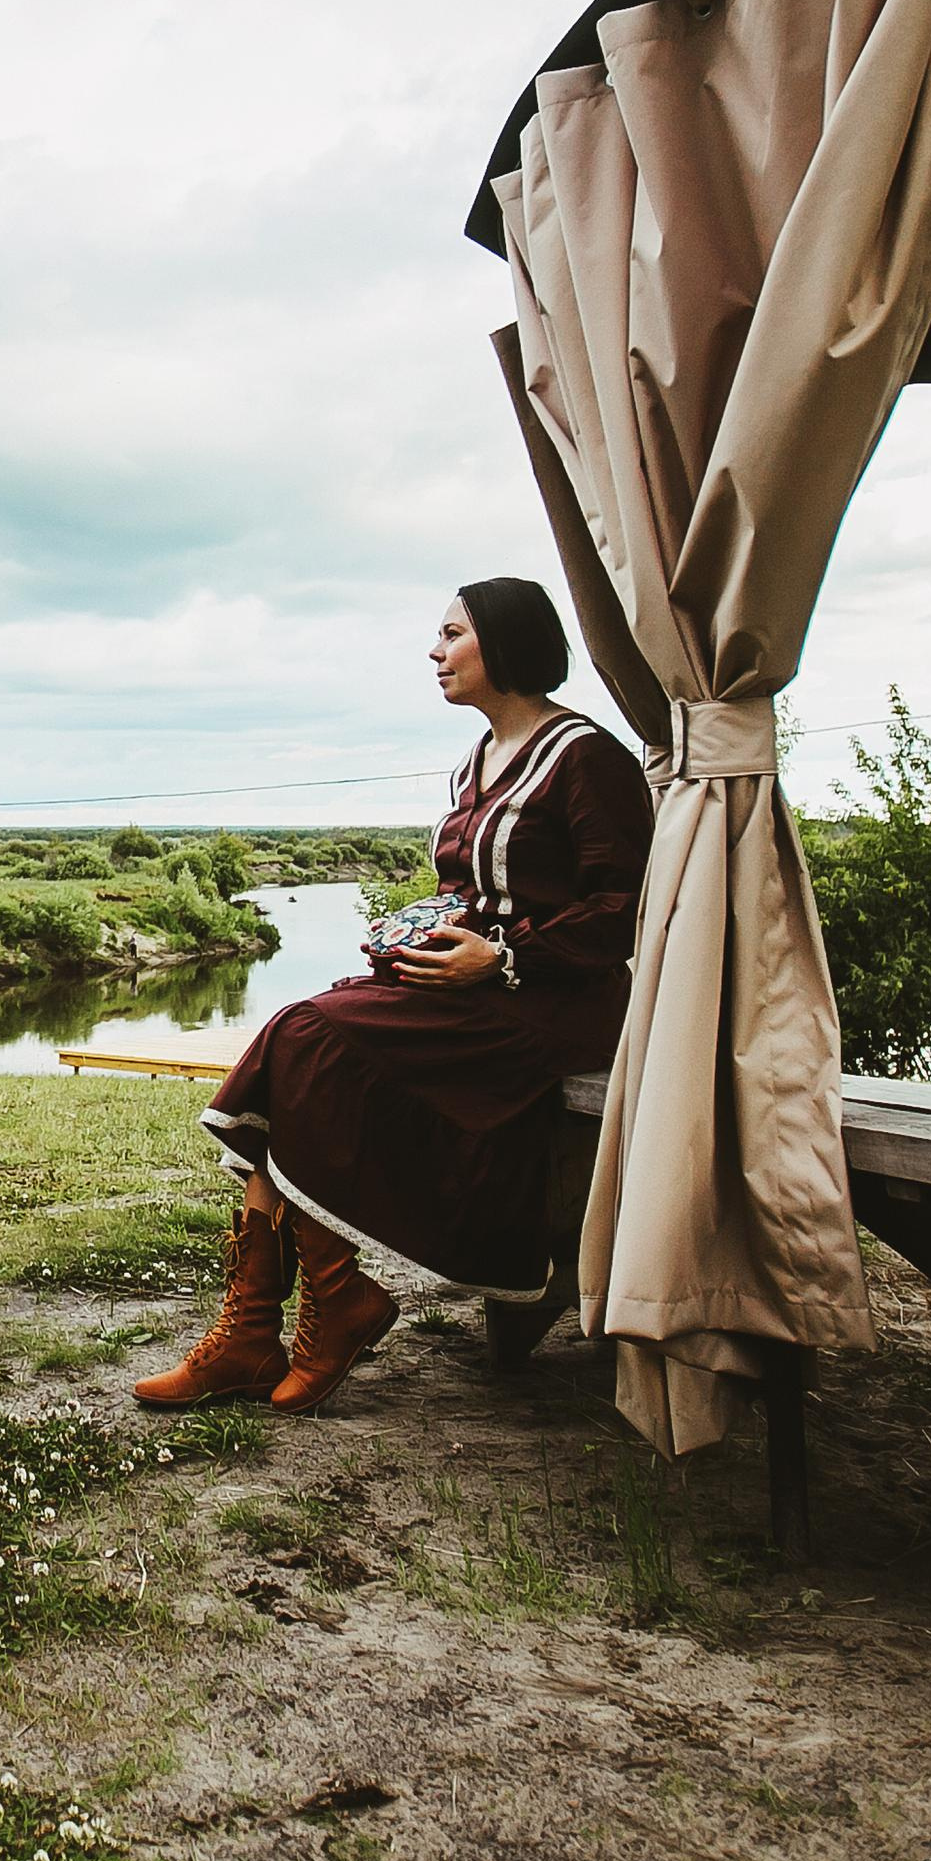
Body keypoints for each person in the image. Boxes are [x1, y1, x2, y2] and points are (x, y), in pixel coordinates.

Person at [134, 577, 653, 1415]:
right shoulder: (476, 761)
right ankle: (256, 1330)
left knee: (309, 1036)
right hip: (468, 990)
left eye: (452, 634)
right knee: (302, 1041)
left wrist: (505, 956)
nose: (434, 651)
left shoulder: (586, 758)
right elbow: (469, 892)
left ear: (506, 642)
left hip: (554, 1003)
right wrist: (419, 933)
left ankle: (316, 1309)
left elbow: (625, 906)